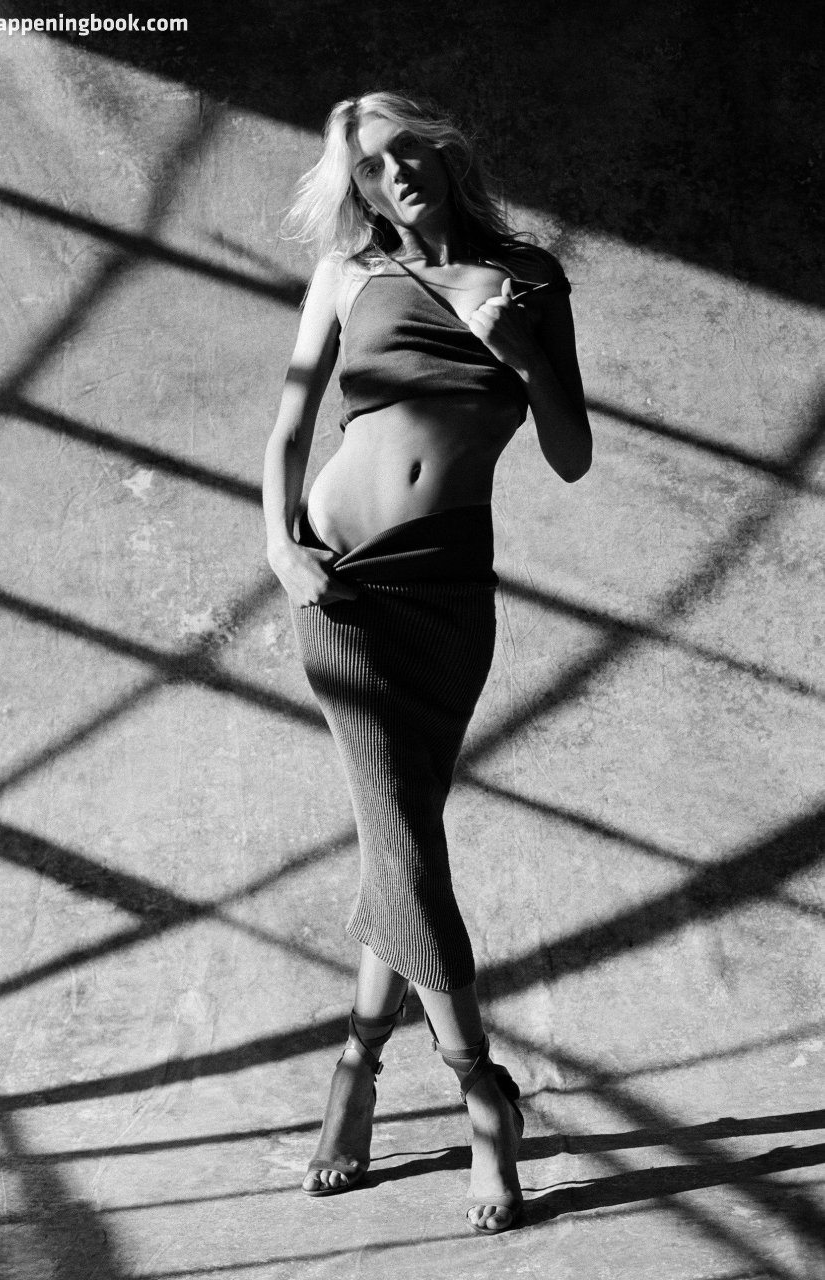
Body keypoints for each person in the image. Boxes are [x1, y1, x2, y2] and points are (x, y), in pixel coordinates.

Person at [263, 90, 592, 1235]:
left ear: (444, 152)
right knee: (404, 839)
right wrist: (281, 551)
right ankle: (481, 1087)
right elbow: (289, 426)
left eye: (405, 151)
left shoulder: (527, 278)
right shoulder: (347, 276)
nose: (392, 174)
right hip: (341, 588)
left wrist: (514, 346)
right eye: (368, 166)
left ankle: (355, 1066)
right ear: (354, 184)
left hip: (447, 595)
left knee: (396, 847)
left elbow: (570, 451)